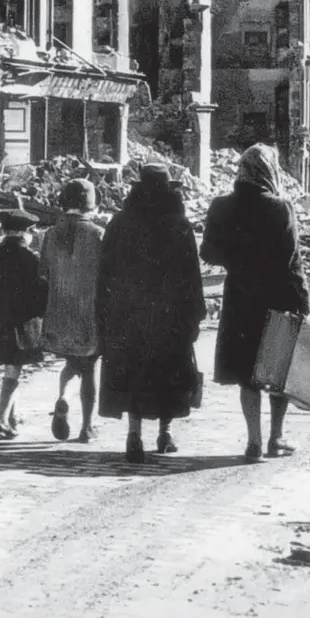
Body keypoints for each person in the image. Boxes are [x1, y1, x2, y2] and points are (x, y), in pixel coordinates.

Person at [200, 143, 310, 463]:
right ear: (269, 171)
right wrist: (303, 302)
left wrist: (238, 261)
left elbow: (207, 253)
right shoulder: (280, 207)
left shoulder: (221, 206)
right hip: (279, 298)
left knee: (246, 372)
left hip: (240, 299)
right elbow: (291, 258)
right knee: (278, 372)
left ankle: (253, 441)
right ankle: (276, 437)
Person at [97, 164, 206, 464]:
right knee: (167, 372)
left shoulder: (119, 223)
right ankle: (165, 433)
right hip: (169, 317)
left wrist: (103, 313)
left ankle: (134, 434)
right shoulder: (179, 225)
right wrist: (196, 313)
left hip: (128, 314)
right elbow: (191, 276)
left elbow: (104, 273)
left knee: (134, 372)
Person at [0, 208, 48, 439]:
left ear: (4, 231)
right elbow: (41, 293)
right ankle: (1, 419)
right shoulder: (31, 259)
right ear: (26, 233)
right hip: (24, 324)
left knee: (11, 366)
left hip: (0, 320)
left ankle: (11, 417)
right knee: (14, 369)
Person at [40, 179, 104, 443]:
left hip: (58, 312)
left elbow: (42, 273)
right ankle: (87, 426)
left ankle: (64, 398)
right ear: (91, 204)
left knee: (70, 363)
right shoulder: (98, 234)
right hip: (88, 313)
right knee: (89, 368)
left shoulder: (49, 235)